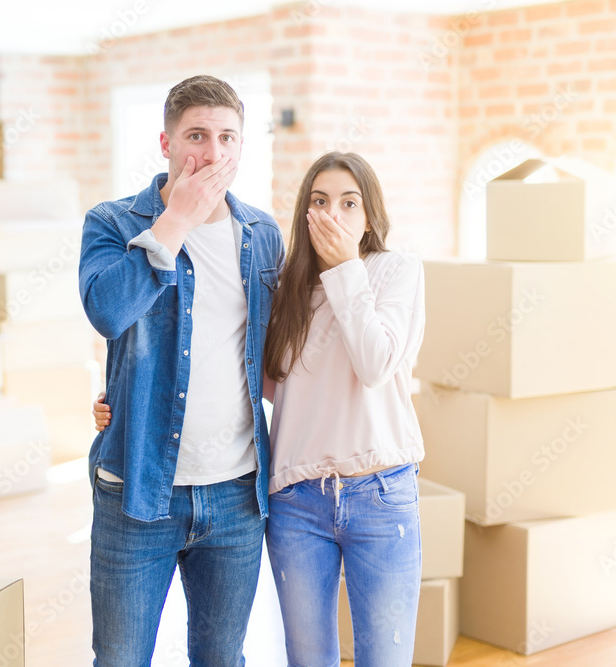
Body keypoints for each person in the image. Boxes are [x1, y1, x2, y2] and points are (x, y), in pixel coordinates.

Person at [97, 151, 427, 666]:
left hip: (379, 493)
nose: (332, 215)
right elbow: (256, 376)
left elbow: (375, 363)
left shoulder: (395, 272)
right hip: (297, 500)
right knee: (307, 658)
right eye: (320, 202)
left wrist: (345, 270)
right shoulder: (290, 285)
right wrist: (125, 395)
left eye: (348, 202)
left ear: (370, 217)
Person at [78, 74, 285, 667]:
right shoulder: (114, 222)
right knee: (120, 659)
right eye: (197, 135)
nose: (213, 153)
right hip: (138, 490)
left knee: (223, 658)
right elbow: (109, 312)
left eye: (228, 137)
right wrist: (177, 221)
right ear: (166, 143)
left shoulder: (261, 235)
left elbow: (272, 353)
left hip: (237, 494)